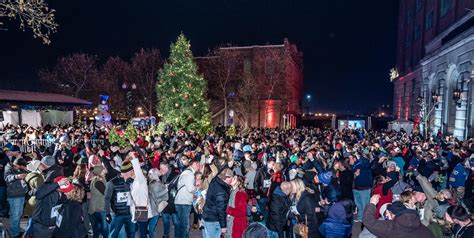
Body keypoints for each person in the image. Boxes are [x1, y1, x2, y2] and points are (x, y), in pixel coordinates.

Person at [362, 194, 434, 238]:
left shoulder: (392, 227)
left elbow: (368, 221)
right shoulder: (425, 230)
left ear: (392, 214)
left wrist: (372, 203)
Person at [32, 156, 67, 237]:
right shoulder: (57, 171)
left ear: (44, 164)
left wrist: (57, 184)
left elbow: (39, 194)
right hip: (53, 221)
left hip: (44, 223)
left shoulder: (52, 176)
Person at [104, 159, 135, 238]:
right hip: (117, 214)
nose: (133, 173)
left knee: (131, 234)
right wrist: (107, 213)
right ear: (126, 172)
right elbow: (106, 198)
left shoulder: (133, 181)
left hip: (130, 214)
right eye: (131, 171)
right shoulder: (112, 183)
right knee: (113, 235)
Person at [202, 168, 233, 238]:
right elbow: (221, 210)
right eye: (231, 178)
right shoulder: (221, 191)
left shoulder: (215, 180)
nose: (232, 180)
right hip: (213, 220)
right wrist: (223, 226)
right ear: (226, 178)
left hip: (207, 215)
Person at [174, 160, 201, 238]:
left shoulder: (186, 172)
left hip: (181, 201)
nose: (199, 166)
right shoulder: (189, 173)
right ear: (193, 164)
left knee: (180, 224)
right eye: (197, 164)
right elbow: (190, 189)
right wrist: (197, 187)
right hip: (184, 202)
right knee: (185, 225)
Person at [4, 157, 28, 238]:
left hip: (21, 194)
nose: (23, 168)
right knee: (15, 215)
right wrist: (17, 176)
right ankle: (14, 234)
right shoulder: (8, 168)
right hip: (14, 196)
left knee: (19, 214)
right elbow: (7, 178)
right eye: (22, 167)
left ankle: (16, 230)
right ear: (17, 165)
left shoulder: (21, 168)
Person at [147, 162, 170, 238]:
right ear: (155, 174)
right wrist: (166, 190)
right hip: (155, 208)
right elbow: (157, 196)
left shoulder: (152, 182)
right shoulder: (156, 184)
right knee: (152, 224)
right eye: (157, 170)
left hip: (153, 206)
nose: (159, 170)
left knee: (151, 224)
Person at [23, 159, 44, 238]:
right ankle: (26, 235)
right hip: (36, 201)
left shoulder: (33, 175)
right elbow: (40, 191)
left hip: (32, 200)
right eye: (41, 165)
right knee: (32, 222)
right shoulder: (37, 178)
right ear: (37, 167)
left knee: (31, 221)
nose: (42, 166)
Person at [352, 152, 373, 221]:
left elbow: (366, 165)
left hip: (364, 188)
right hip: (356, 187)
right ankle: (360, 218)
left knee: (365, 205)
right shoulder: (356, 164)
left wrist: (360, 158)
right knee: (359, 204)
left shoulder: (364, 163)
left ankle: (366, 219)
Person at [88, 165, 108, 238]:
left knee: (98, 225)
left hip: (97, 206)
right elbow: (106, 193)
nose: (105, 170)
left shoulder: (99, 179)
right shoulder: (98, 182)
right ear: (99, 171)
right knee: (104, 226)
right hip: (99, 207)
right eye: (103, 169)